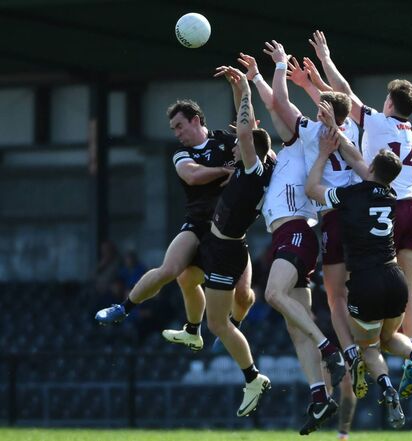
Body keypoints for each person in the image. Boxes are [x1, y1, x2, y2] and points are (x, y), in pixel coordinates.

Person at [307, 30, 412, 398]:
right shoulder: (408, 132)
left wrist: (325, 61)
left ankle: (363, 352)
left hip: (387, 207)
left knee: (347, 291)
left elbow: (343, 93)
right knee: (408, 291)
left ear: (390, 102)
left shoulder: (377, 122)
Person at [305, 125, 412, 428]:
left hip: (366, 282)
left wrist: (324, 153)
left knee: (368, 346)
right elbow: (366, 168)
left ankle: (388, 389)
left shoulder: (350, 195)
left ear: (370, 169)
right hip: (395, 280)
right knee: (387, 338)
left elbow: (312, 189)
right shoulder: (392, 197)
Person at [95, 89, 255, 352]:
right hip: (198, 223)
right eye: (173, 129)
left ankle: (228, 328)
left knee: (244, 294)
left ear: (196, 120)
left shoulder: (227, 141)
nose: (177, 133)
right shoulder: (181, 154)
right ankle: (125, 309)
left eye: (179, 126)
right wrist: (224, 171)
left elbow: (252, 151)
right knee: (174, 271)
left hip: (229, 231)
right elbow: (191, 176)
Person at [243, 45, 345, 435]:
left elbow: (281, 103)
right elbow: (276, 107)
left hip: (296, 231)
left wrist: (282, 66)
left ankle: (328, 348)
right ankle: (320, 397)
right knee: (293, 325)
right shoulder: (296, 144)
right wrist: (256, 78)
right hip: (293, 234)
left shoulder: (308, 137)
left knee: (271, 295)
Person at [189, 65, 274, 416]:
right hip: (219, 245)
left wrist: (247, 93)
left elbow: (245, 130)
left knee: (217, 324)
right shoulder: (255, 164)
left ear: (250, 149)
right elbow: (248, 126)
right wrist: (239, 89)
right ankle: (190, 328)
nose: (234, 145)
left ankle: (253, 377)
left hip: (226, 249)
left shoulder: (253, 169)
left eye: (240, 144)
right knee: (185, 278)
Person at [285, 50, 361, 437]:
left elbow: (314, 187)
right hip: (366, 218)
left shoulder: (320, 137)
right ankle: (359, 351)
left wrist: (302, 82)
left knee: (335, 299)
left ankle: (347, 350)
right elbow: (342, 98)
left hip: (334, 212)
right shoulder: (358, 132)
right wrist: (315, 83)